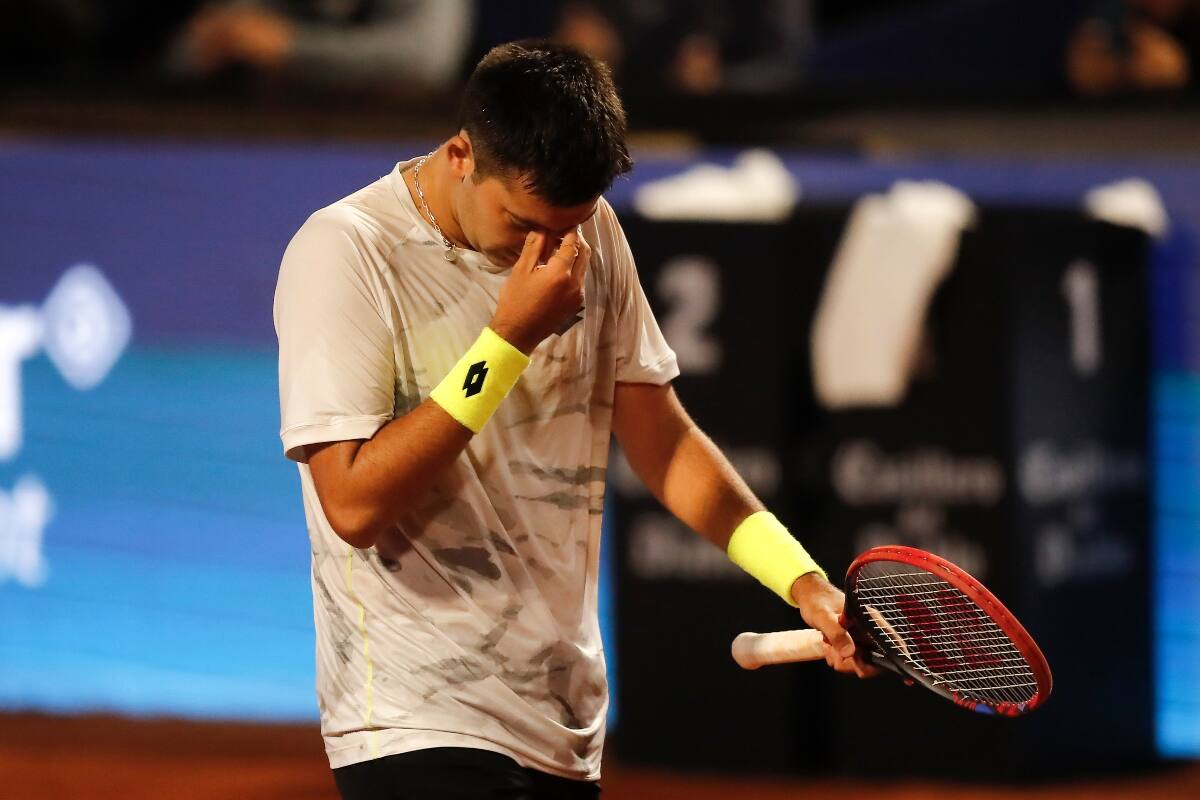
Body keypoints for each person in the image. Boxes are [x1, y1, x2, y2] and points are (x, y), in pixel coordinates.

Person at [274, 39, 873, 800]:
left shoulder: (593, 238)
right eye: (525, 225)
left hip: (562, 725)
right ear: (463, 154)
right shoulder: (344, 253)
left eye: (570, 226)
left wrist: (800, 579)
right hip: (413, 719)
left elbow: (665, 443)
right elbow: (353, 504)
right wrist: (509, 339)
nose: (552, 250)